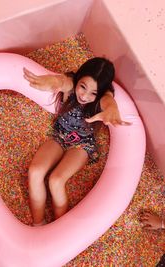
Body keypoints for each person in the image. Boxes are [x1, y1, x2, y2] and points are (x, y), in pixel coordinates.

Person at [23, 57, 130, 226]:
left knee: (56, 181)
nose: (85, 96)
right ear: (78, 79)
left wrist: (111, 110)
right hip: (60, 135)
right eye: (83, 87)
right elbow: (63, 81)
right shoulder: (71, 83)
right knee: (35, 171)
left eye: (93, 93)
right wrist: (53, 80)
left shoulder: (103, 97)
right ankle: (39, 223)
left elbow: (108, 101)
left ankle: (59, 228)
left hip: (82, 144)